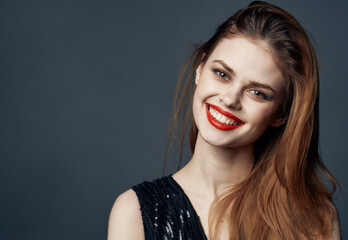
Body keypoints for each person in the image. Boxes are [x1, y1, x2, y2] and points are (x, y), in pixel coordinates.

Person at [107, 1, 341, 239]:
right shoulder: (135, 213)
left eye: (257, 92)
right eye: (222, 74)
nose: (230, 99)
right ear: (200, 68)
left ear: (280, 114)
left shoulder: (315, 217)